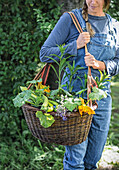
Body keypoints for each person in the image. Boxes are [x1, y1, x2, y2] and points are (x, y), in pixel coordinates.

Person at [40, 0, 119, 169]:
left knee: (92, 160)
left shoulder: (114, 26)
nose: (92, 1)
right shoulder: (70, 19)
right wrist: (75, 45)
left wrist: (100, 64)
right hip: (74, 99)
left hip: (101, 98)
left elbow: (117, 62)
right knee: (75, 161)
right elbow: (45, 54)